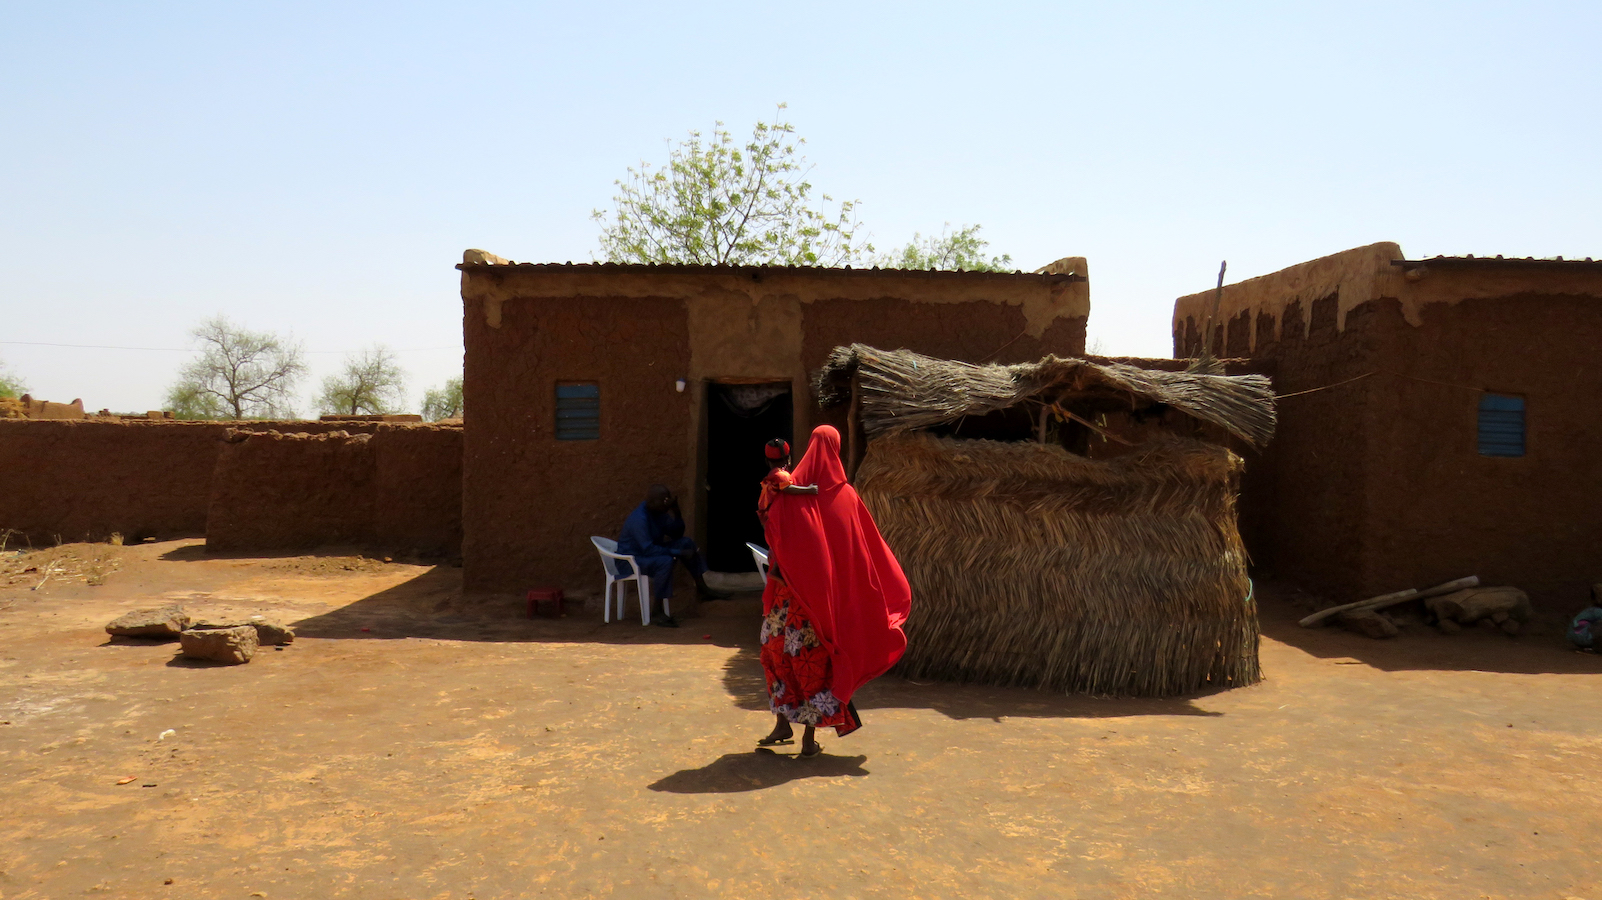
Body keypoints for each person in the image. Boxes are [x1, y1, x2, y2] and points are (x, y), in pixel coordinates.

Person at [755, 427, 912, 759]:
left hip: (786, 598)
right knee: (814, 664)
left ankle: (783, 723)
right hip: (821, 604)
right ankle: (807, 739)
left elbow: (772, 536)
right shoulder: (845, 496)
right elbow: (863, 552)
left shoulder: (785, 489)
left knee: (777, 657)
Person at [616, 484, 725, 627]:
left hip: (648, 555)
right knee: (665, 561)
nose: (667, 504)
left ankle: (702, 588)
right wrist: (678, 553)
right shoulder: (639, 519)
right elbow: (648, 549)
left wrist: (676, 511)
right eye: (664, 501)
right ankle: (657, 611)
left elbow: (677, 534)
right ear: (652, 502)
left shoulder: (659, 513)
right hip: (631, 561)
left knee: (686, 543)